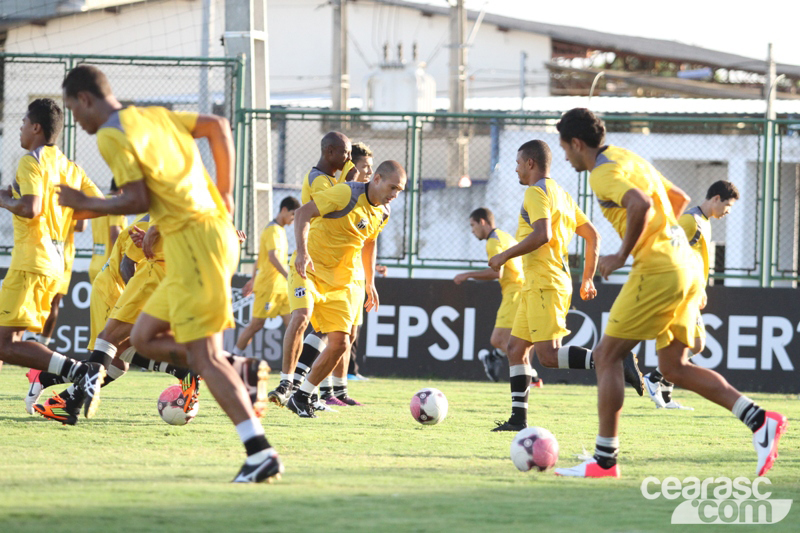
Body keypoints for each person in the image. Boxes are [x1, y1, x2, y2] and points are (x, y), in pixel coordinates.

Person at [57, 65, 282, 483]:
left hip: (197, 245)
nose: (76, 121)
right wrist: (226, 192)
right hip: (191, 245)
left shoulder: (110, 133)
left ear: (85, 99)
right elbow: (216, 127)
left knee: (205, 357)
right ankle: (238, 368)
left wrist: (85, 203)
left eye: (72, 110)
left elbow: (135, 198)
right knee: (142, 338)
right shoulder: (153, 115)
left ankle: (259, 452)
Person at [553, 108, 786, 478]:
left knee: (607, 356)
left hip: (659, 269)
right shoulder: (627, 157)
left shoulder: (602, 173)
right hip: (687, 265)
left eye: (564, 148)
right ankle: (760, 420)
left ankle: (604, 461)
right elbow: (677, 198)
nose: (564, 156)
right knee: (672, 367)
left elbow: (641, 204)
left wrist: (621, 255)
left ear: (577, 144)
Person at [488, 140, 643, 432]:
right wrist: (587, 277)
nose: (517, 169)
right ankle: (518, 420)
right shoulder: (561, 193)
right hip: (541, 283)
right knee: (515, 347)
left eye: (519, 163)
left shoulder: (536, 193)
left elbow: (542, 235)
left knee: (547, 356)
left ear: (530, 164)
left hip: (544, 283)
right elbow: (593, 236)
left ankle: (613, 360)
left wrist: (504, 255)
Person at [0, 98, 106, 420]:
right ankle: (78, 371)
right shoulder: (69, 166)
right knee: (10, 340)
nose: (19, 127)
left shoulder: (31, 161)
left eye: (23, 122)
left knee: (4, 343)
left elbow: (31, 208)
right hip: (53, 265)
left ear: (36, 128)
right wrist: (66, 211)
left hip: (32, 261)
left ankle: (79, 371)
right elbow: (98, 205)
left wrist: (4, 200)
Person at [285, 161, 406, 418]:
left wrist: (370, 282)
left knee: (341, 344)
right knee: (302, 316)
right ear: (376, 179)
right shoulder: (346, 193)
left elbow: (369, 243)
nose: (395, 194)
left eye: (400, 190)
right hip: (311, 269)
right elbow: (303, 213)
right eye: (392, 186)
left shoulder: (384, 212)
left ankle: (301, 396)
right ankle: (286, 381)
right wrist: (302, 251)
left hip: (342, 282)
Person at [268, 132, 351, 407]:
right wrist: (353, 182)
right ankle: (285, 381)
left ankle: (307, 390)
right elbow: (332, 211)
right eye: (344, 153)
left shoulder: (333, 180)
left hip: (329, 268)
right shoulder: (317, 179)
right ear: (329, 152)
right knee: (302, 317)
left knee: (327, 332)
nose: (348, 158)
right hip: (307, 263)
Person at [644, 180, 740, 410]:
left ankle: (664, 396)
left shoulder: (704, 222)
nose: (728, 212)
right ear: (716, 199)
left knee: (691, 346)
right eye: (728, 206)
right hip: (681, 293)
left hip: (693, 292)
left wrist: (701, 289)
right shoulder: (690, 221)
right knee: (695, 344)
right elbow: (669, 252)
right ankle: (654, 379)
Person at [453, 207, 532, 384]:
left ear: (482, 222)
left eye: (473, 225)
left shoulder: (493, 242)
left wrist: (467, 275)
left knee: (499, 340)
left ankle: (529, 375)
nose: (472, 230)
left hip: (515, 293)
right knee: (519, 341)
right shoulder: (504, 236)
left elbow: (497, 273)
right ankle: (526, 374)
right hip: (525, 291)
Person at [233, 196, 300, 355]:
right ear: (284, 210)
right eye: (292, 215)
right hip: (268, 287)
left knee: (294, 326)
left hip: (282, 289)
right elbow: (272, 257)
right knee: (256, 325)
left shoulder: (280, 230)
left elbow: (260, 258)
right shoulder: (273, 230)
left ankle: (298, 366)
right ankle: (232, 357)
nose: (293, 220)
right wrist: (288, 276)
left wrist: (252, 278)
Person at [88, 181, 126, 283]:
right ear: (122, 188)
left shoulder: (100, 203)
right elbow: (114, 234)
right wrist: (122, 262)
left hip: (95, 265)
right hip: (109, 268)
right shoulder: (116, 203)